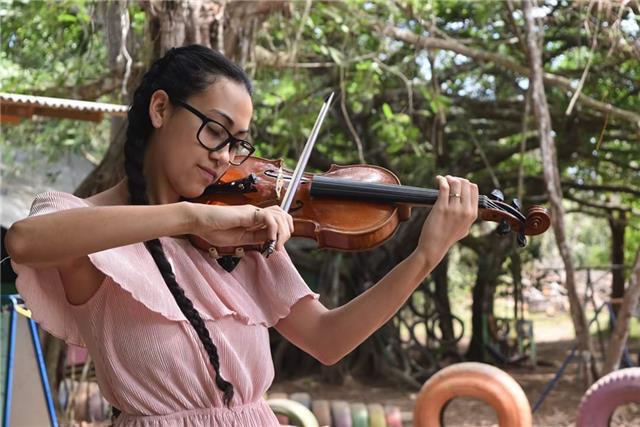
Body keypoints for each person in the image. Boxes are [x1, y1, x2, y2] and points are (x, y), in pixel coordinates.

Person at [5, 44, 478, 426]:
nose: (224, 156)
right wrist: (187, 217)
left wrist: (424, 257)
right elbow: (24, 241)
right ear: (161, 108)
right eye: (216, 131)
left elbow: (328, 340)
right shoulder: (85, 223)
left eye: (238, 143)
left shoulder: (242, 227)